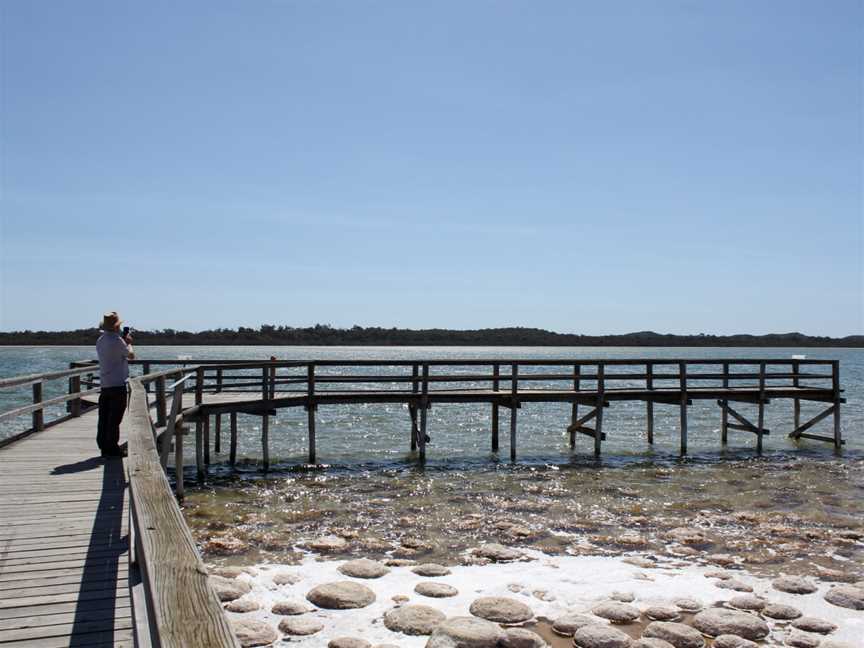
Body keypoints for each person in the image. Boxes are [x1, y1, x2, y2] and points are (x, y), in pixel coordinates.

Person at [96, 311, 134, 457]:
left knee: (104, 418)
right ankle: (112, 448)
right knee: (115, 419)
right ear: (116, 327)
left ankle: (103, 445)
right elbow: (130, 356)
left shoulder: (101, 340)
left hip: (105, 384)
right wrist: (129, 344)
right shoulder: (117, 341)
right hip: (117, 384)